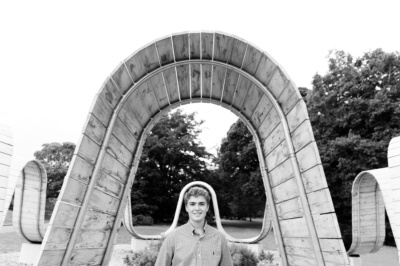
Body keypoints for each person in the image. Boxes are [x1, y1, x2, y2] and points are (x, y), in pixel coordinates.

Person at [155, 186, 233, 266]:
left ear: (207, 207)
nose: (197, 208)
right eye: (192, 204)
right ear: (186, 208)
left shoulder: (219, 238)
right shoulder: (173, 237)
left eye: (201, 204)